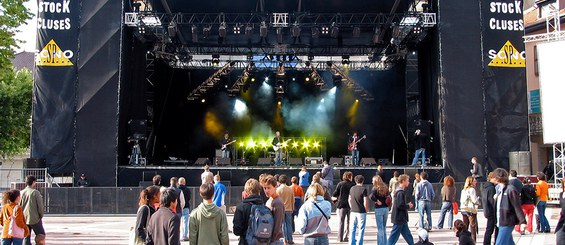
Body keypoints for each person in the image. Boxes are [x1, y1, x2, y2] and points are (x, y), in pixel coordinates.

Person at [492, 168, 526, 245]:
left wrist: (522, 221)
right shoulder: (500, 189)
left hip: (507, 221)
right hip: (501, 221)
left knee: (499, 243)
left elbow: (517, 206)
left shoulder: (510, 189)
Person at [233, 178, 264, 245]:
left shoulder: (241, 207)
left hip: (245, 242)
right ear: (259, 191)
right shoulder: (265, 208)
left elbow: (236, 231)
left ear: (246, 192)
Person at [387, 174, 414, 245]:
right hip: (399, 217)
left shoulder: (399, 191)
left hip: (401, 218)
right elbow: (399, 205)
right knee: (393, 236)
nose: (408, 182)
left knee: (408, 235)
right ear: (403, 181)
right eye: (407, 181)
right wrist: (408, 206)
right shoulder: (400, 192)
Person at [19, 175, 45, 245]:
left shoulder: (21, 193)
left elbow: (19, 206)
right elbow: (40, 206)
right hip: (34, 218)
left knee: (26, 237)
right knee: (41, 235)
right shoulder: (35, 192)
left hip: (24, 218)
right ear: (33, 182)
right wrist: (40, 215)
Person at [261, 175, 285, 244]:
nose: (266, 190)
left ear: (275, 187)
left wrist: (271, 239)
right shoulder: (270, 200)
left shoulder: (277, 202)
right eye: (264, 188)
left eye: (269, 188)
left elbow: (277, 224)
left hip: (275, 240)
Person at [332, 171, 354, 243]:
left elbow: (335, 194)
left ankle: (340, 238)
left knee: (341, 222)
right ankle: (347, 236)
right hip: (350, 205)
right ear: (349, 177)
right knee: (349, 222)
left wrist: (335, 200)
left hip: (341, 204)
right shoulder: (352, 185)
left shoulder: (340, 184)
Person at [369, 175, 390, 245]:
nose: (372, 182)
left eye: (372, 180)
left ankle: (380, 243)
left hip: (379, 208)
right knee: (384, 227)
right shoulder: (385, 187)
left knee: (380, 228)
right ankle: (385, 242)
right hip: (386, 208)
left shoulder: (375, 188)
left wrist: (377, 200)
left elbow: (371, 196)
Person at [349, 175, 368, 245]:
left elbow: (349, 199)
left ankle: (351, 242)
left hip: (353, 211)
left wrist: (351, 207)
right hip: (361, 211)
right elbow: (365, 201)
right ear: (362, 181)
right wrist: (366, 210)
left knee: (352, 228)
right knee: (361, 228)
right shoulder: (364, 189)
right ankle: (359, 243)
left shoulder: (352, 188)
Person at [276, 175, 295, 244]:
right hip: (289, 208)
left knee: (283, 224)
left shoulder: (278, 190)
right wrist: (292, 207)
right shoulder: (290, 189)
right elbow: (293, 200)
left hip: (281, 209)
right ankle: (290, 239)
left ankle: (285, 240)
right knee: (289, 225)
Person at [460, 176, 479, 243]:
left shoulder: (463, 190)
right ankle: (473, 241)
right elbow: (474, 200)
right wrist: (478, 201)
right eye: (474, 181)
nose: (476, 182)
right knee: (472, 226)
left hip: (463, 209)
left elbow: (461, 200)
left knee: (465, 226)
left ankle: (463, 240)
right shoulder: (472, 190)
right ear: (471, 182)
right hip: (471, 209)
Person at [481, 172, 498, 245]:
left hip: (487, 210)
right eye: (495, 178)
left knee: (489, 229)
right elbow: (492, 201)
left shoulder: (485, 187)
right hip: (491, 211)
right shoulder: (491, 188)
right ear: (492, 179)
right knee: (491, 229)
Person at [178, 177, 192, 241]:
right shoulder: (187, 189)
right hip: (186, 206)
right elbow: (189, 198)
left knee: (178, 221)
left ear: (178, 182)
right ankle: (185, 236)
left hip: (178, 207)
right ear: (184, 182)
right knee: (185, 221)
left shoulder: (177, 189)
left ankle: (178, 236)